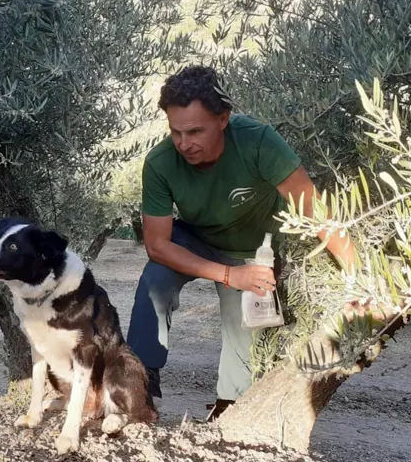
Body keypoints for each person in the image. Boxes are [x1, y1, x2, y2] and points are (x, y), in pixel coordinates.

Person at [125, 65, 356, 421]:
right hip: (196, 239)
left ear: (223, 118)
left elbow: (316, 214)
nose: (185, 144)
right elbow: (158, 245)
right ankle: (137, 386)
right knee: (156, 279)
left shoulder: (258, 141)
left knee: (244, 321)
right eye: (176, 132)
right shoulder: (159, 163)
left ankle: (229, 410)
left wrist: (359, 279)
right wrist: (229, 275)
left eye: (195, 131)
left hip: (255, 249)